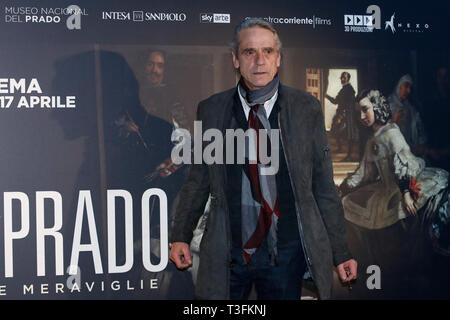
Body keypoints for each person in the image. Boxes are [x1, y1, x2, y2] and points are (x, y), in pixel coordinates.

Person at [169, 18, 357, 300]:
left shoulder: (306, 109)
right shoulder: (212, 110)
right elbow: (198, 181)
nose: (260, 60)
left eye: (268, 51)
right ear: (235, 59)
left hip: (285, 254)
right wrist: (181, 234)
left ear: (278, 58)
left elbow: (323, 187)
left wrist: (341, 251)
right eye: (249, 52)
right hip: (228, 254)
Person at [339, 89, 449, 298]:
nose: (362, 116)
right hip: (387, 188)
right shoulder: (372, 140)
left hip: (406, 183)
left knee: (408, 218)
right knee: (348, 203)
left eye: (365, 110)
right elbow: (363, 173)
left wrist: (406, 192)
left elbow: (403, 165)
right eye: (359, 112)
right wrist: (344, 187)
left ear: (377, 108)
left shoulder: (392, 132)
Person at [388, 74, 427, 155]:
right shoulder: (387, 105)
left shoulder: (410, 108)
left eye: (410, 88)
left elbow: (419, 130)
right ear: (398, 86)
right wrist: (393, 121)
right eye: (406, 86)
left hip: (410, 152)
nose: (408, 91)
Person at [325, 72, 358, 161]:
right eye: (342, 78)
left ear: (348, 79)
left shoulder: (349, 89)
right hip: (342, 114)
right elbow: (336, 101)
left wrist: (341, 116)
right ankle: (340, 149)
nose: (342, 79)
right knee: (335, 131)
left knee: (349, 135)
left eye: (344, 78)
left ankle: (349, 155)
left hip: (348, 115)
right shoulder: (343, 89)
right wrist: (326, 96)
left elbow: (349, 105)